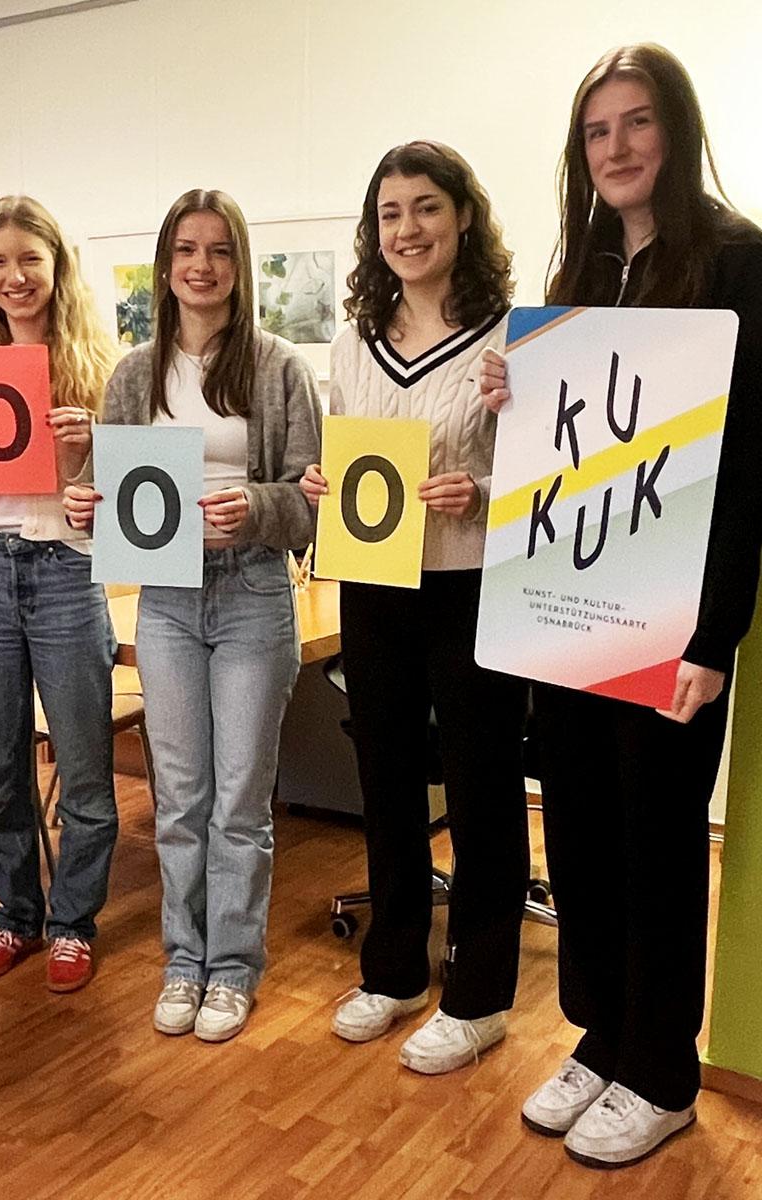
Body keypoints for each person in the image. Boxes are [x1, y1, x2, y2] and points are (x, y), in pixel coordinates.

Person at [479, 44, 762, 1168]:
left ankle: (664, 1069)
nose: (618, 148)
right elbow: (566, 453)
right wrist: (517, 396)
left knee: (657, 839)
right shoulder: (585, 269)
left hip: (672, 616)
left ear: (676, 132)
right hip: (570, 605)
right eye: (598, 131)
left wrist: (714, 635)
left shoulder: (740, 263)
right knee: (585, 829)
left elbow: (747, 470)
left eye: (637, 123)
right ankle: (600, 1034)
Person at [64, 188, 320, 1042]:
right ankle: (184, 959)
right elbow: (111, 496)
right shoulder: (134, 373)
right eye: (186, 250)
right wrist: (85, 511)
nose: (201, 267)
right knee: (178, 797)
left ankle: (234, 966)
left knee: (239, 803)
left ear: (239, 267)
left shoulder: (280, 367)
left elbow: (311, 505)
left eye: (218, 251)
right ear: (165, 265)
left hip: (251, 593)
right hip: (166, 601)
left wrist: (252, 508)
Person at [299, 142, 529, 1074]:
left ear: (464, 216)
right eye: (390, 213)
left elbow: (553, 473)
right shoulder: (355, 339)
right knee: (387, 776)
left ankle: (481, 995)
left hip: (473, 579)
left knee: (481, 785)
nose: (408, 230)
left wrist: (482, 488)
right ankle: (391, 970)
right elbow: (350, 453)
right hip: (376, 579)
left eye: (426, 208)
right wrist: (324, 480)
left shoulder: (511, 333)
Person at [0, 196, 119, 993]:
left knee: (84, 765)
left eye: (28, 260)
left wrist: (87, 453)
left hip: (68, 571)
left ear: (55, 266)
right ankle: (15, 914)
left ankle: (73, 922)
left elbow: (123, 497)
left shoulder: (98, 366)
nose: (14, 277)